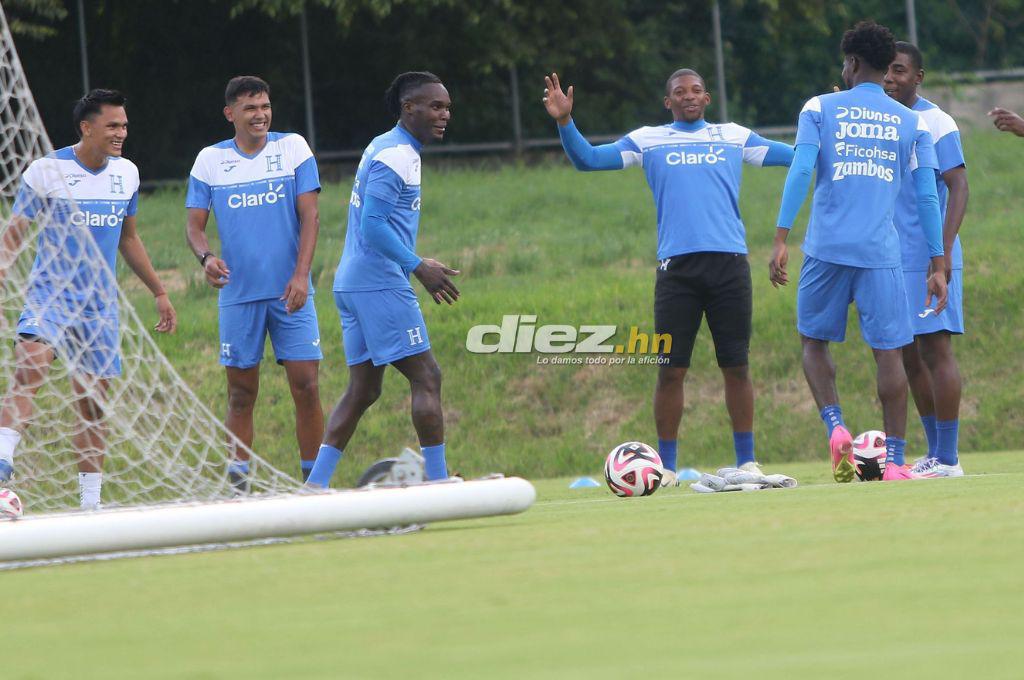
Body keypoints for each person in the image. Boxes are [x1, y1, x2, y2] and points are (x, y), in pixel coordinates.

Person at [542, 68, 794, 484]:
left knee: (737, 366)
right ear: (668, 102)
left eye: (696, 90)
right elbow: (588, 160)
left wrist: (828, 131)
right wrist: (565, 121)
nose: (689, 96)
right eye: (680, 92)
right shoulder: (648, 139)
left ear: (707, 98)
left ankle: (747, 461)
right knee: (670, 370)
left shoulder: (733, 136)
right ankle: (667, 466)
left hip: (729, 265)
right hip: (677, 272)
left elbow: (795, 155)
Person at [770, 21, 948, 482]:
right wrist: (937, 263)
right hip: (881, 254)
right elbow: (928, 197)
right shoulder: (912, 121)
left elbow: (801, 170)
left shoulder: (819, 108)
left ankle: (835, 426)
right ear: (886, 65)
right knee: (890, 354)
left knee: (813, 342)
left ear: (850, 63)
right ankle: (893, 462)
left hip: (826, 249)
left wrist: (780, 238)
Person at [0, 89, 177, 509]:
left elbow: (129, 239)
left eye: (124, 126)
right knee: (31, 366)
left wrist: (160, 292)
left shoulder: (127, 174)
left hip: (99, 307)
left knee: (93, 405)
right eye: (113, 126)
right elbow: (14, 235)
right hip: (51, 297)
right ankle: (3, 464)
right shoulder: (46, 170)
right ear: (87, 127)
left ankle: (90, 505)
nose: (121, 133)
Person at [304, 72, 459, 488]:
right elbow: (373, 226)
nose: (444, 114)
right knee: (427, 376)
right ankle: (439, 484)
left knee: (363, 391)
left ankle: (314, 486)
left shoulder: (385, 144)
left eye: (446, 107)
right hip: (377, 282)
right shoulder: (399, 156)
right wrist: (417, 265)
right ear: (409, 108)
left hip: (351, 281)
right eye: (435, 106)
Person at [185, 76, 323, 488]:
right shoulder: (210, 160)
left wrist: (301, 275)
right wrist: (206, 258)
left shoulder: (293, 148)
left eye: (264, 106)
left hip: (291, 294)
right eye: (250, 108)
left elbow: (310, 218)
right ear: (231, 114)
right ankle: (238, 488)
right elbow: (194, 227)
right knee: (241, 395)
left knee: (307, 386)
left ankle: (314, 486)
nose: (260, 114)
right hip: (239, 297)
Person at [884, 41, 969, 478]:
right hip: (890, 255)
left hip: (929, 254)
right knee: (909, 356)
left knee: (937, 350)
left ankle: (950, 458)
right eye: (887, 70)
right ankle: (935, 453)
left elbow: (958, 186)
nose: (891, 78)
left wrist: (945, 250)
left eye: (900, 71)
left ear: (918, 76)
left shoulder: (936, 121)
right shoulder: (881, 120)